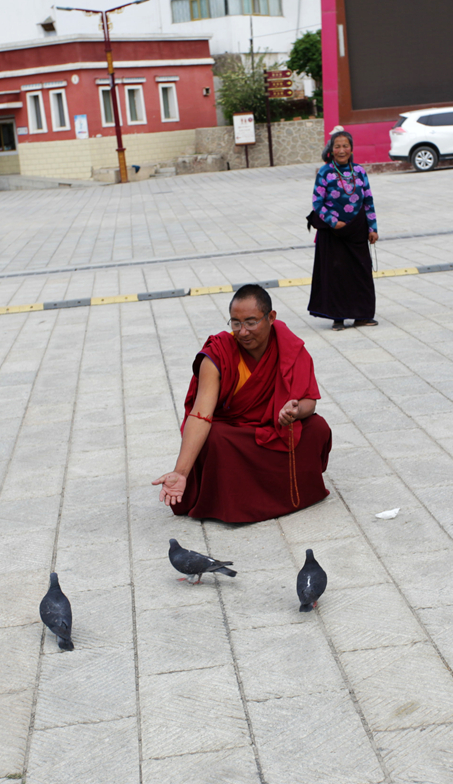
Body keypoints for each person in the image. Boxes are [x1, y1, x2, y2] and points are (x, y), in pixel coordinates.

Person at [153, 284, 333, 523]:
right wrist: (181, 471)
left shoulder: (289, 347)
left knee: (317, 428)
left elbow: (310, 401)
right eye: (236, 323)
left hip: (273, 427)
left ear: (271, 317)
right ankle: (235, 504)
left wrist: (296, 410)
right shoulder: (219, 354)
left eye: (251, 322)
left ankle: (292, 494)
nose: (243, 331)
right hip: (236, 432)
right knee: (215, 436)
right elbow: (200, 415)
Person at [308, 129, 379, 330]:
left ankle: (362, 315)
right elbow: (317, 202)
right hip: (333, 233)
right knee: (337, 275)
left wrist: (372, 227)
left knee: (360, 272)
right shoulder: (325, 172)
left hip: (357, 230)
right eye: (337, 146)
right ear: (331, 150)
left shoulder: (359, 171)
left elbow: (368, 201)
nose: (341, 150)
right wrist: (332, 221)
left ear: (351, 149)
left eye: (345, 146)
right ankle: (338, 318)